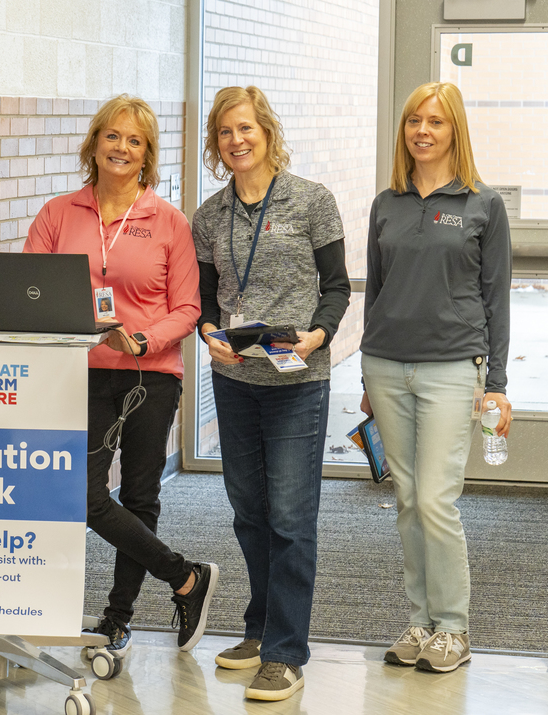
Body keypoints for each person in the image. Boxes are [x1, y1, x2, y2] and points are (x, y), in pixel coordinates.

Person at [0, 94, 219, 659]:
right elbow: (27, 292)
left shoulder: (169, 221)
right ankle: (185, 577)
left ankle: (117, 619)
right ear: (95, 143)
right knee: (82, 494)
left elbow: (187, 309)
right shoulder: (59, 214)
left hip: (148, 375)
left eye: (135, 141)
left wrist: (141, 338)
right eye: (113, 136)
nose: (122, 148)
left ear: (147, 154)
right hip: (78, 373)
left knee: (139, 496)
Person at [193, 86, 350, 701]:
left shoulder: (312, 201)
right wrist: (208, 332)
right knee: (249, 512)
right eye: (225, 132)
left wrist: (318, 335)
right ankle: (259, 629)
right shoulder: (209, 215)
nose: (237, 141)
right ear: (217, 142)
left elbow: (336, 288)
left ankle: (286, 654)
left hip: (297, 380)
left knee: (290, 517)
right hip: (234, 380)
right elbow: (207, 300)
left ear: (267, 132)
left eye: (246, 129)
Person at [360, 81, 512, 674]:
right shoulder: (387, 203)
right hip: (386, 364)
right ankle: (420, 622)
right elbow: (375, 292)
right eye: (414, 121)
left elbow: (496, 298)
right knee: (405, 498)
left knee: (435, 498)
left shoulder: (482, 204)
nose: (423, 131)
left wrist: (495, 381)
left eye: (437, 122)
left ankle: (454, 628)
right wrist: (370, 378)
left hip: (454, 367)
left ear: (455, 131)